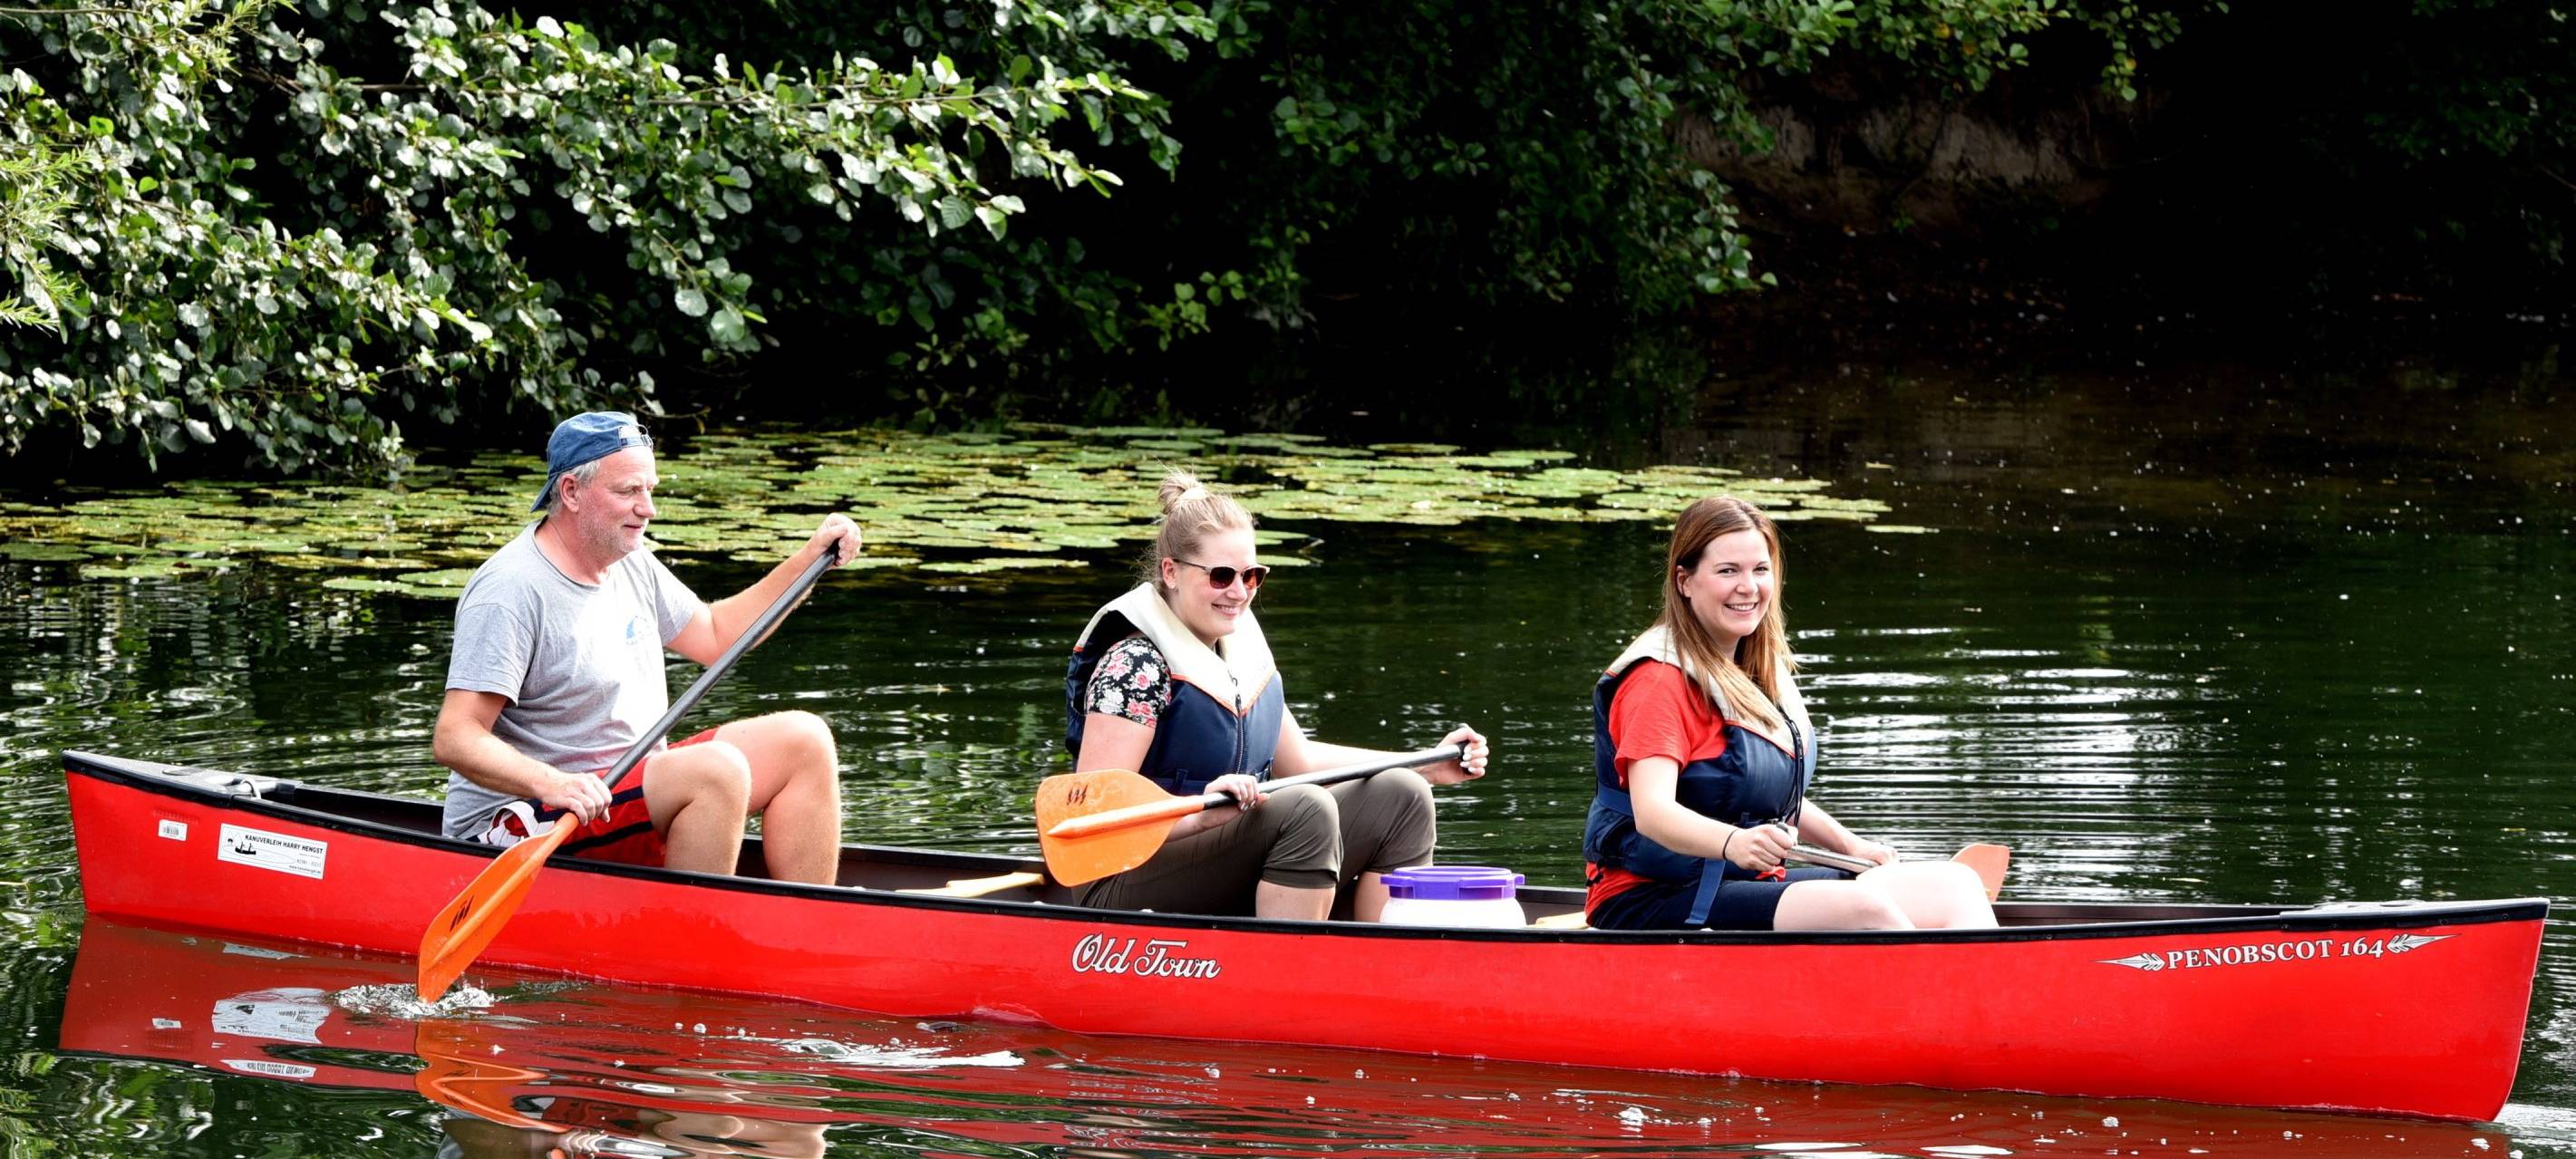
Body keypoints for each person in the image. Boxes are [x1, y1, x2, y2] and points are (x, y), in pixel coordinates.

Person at [433, 411, 860, 884]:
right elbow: (456, 736)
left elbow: (719, 633)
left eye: (650, 490)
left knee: (805, 738)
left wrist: (809, 560)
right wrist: (554, 783)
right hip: (522, 823)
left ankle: (808, 929)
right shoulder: (510, 590)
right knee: (714, 771)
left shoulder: (630, 560)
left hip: (621, 795)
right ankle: (695, 938)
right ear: (571, 492)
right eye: (628, 491)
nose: (647, 508)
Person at [1063, 469, 1491, 920]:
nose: (1237, 592)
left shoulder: (1234, 655)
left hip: (1220, 851)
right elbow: (1099, 810)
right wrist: (1198, 815)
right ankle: (1296, 972)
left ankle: (1380, 966)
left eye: (1251, 576)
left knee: (1402, 795)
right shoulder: (1134, 665)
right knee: (1304, 809)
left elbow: (1300, 762)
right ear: (1170, 571)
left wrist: (1425, 763)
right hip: (1120, 877)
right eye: (1221, 576)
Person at [1582, 495, 1996, 932]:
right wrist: (1733, 841)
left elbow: (1765, 798)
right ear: (1684, 581)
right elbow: (1653, 811)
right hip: (1650, 898)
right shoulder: (1658, 680)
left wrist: (1852, 845)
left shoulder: (1754, 670)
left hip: (1743, 881)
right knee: (1861, 908)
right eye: (1728, 571)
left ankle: (1985, 998)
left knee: (1955, 884)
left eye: (1760, 569)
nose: (1749, 586)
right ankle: (1924, 995)